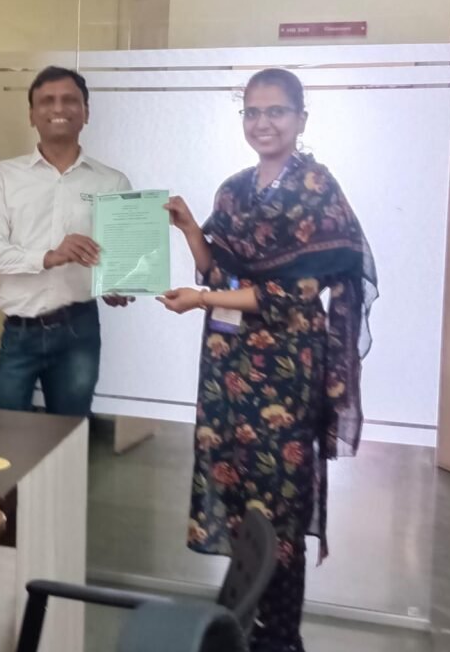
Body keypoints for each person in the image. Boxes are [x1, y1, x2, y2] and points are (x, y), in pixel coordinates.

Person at [158, 68, 377, 652]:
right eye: (252, 112)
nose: (263, 123)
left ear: (301, 119)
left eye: (276, 111)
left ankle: (279, 636)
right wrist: (190, 231)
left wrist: (203, 299)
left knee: (280, 502)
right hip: (229, 367)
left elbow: (293, 294)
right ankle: (245, 620)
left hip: (285, 369)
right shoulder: (234, 191)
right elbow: (220, 272)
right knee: (237, 488)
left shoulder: (317, 189)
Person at [0, 66, 132, 416]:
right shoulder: (2, 177)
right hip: (20, 330)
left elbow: (118, 261)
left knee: (70, 429)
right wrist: (50, 256)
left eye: (69, 100)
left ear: (86, 112)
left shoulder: (112, 183)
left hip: (80, 328)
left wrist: (118, 284)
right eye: (46, 101)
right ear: (32, 115)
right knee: (3, 427)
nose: (58, 108)